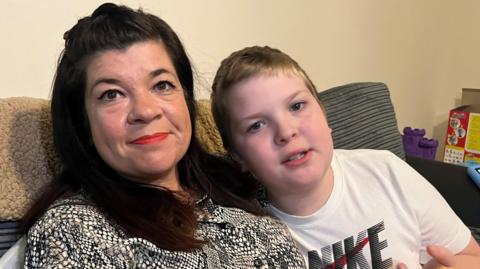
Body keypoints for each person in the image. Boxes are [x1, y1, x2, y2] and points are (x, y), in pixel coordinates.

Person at [22, 4, 306, 268]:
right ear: (83, 124)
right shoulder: (72, 231)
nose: (145, 111)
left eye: (162, 85)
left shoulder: (244, 186)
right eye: (112, 94)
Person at [210, 45, 480, 269]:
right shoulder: (244, 236)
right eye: (256, 125)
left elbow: (472, 257)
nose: (286, 131)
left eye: (297, 106)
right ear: (238, 158)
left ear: (325, 115)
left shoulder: (387, 172)